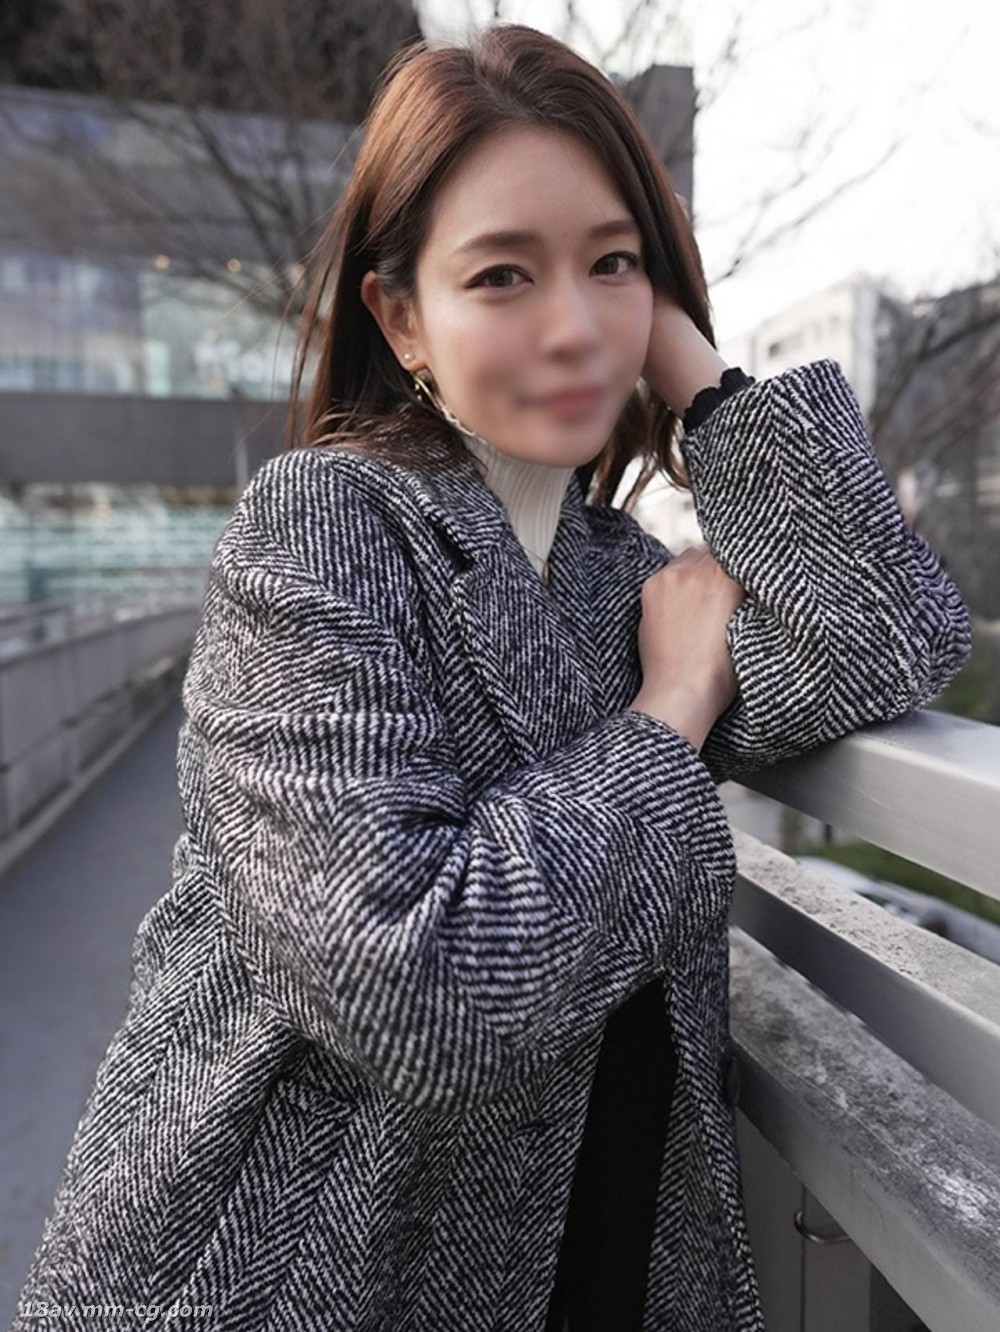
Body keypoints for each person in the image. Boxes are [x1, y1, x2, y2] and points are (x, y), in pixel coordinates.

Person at [12, 22, 972, 1332]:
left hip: (594, 1241)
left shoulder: (621, 572)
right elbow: (415, 987)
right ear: (401, 316)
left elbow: (885, 639)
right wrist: (668, 714)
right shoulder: (321, 528)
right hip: (299, 1273)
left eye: (613, 264)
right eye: (504, 274)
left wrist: (699, 377)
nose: (574, 329)